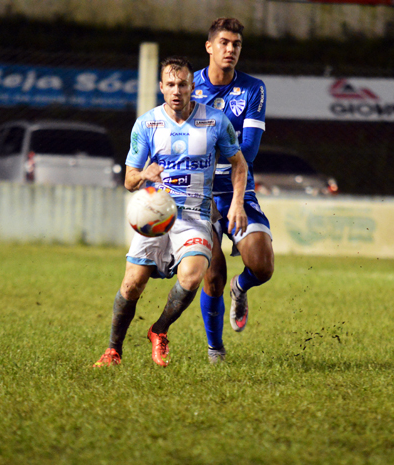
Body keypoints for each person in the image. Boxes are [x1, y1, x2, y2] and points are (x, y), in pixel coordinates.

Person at [93, 56, 248, 368]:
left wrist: (236, 203)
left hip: (195, 215)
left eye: (183, 84)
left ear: (193, 87)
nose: (177, 90)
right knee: (133, 284)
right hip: (156, 213)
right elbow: (128, 179)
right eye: (171, 85)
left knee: (192, 276)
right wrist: (143, 176)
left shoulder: (216, 121)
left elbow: (239, 164)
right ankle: (113, 351)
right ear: (161, 87)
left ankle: (158, 330)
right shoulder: (147, 124)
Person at [193, 18, 274, 363]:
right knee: (212, 276)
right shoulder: (187, 86)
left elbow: (250, 150)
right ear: (209, 46)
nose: (230, 49)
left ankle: (240, 289)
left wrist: (236, 200)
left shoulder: (254, 88)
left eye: (236, 44)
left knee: (263, 266)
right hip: (197, 192)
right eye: (224, 43)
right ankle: (216, 350)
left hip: (238, 188)